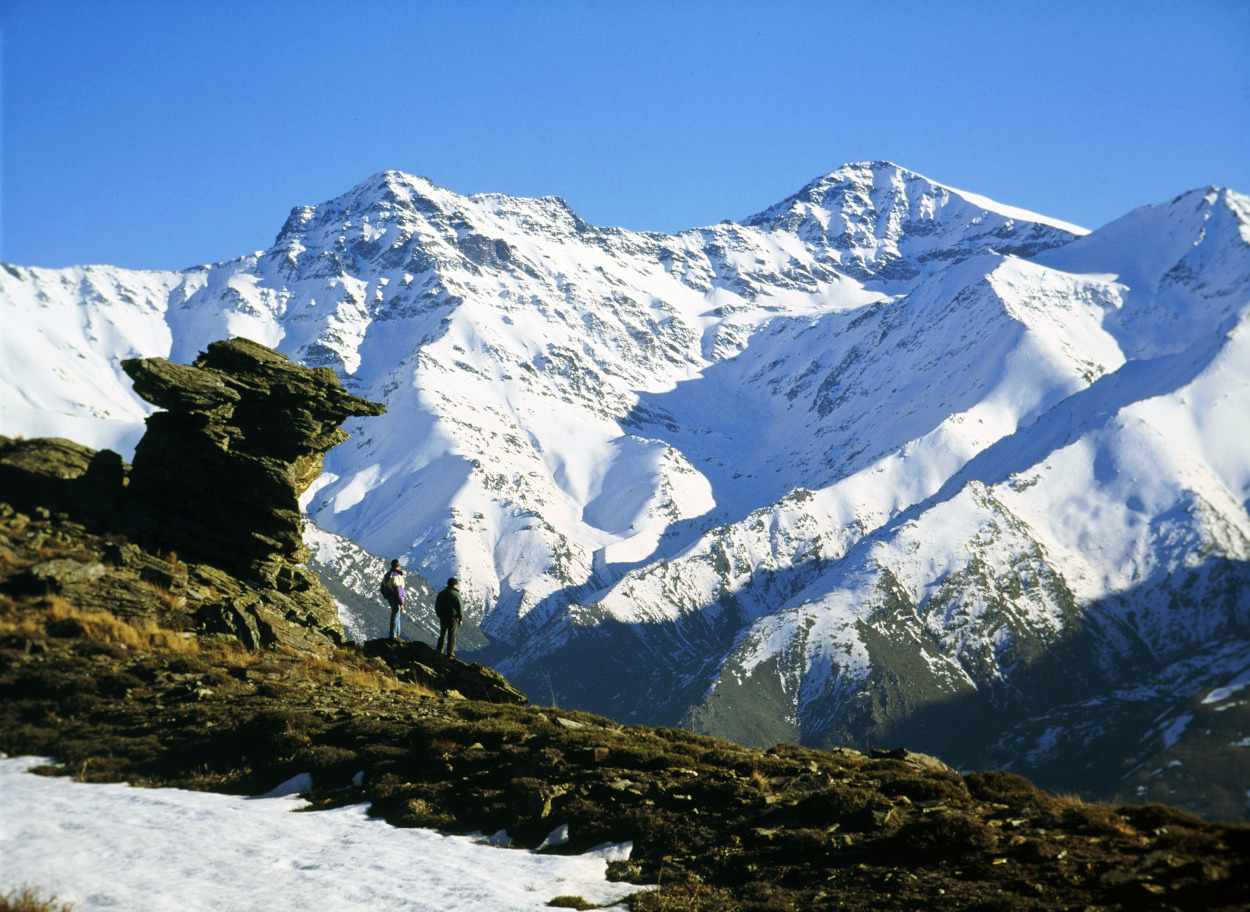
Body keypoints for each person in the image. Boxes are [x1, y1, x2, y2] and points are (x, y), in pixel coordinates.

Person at [434, 576, 463, 657]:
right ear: (454, 585)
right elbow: (460, 607)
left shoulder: (441, 594)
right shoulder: (456, 595)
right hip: (452, 618)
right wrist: (460, 619)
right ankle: (450, 653)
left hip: (443, 617)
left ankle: (439, 650)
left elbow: (437, 605)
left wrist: (439, 614)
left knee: (442, 634)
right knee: (452, 635)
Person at [381, 559, 405, 641]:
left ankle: (397, 634)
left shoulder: (387, 575)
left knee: (396, 614)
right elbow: (398, 591)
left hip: (390, 597)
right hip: (396, 598)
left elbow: (382, 587)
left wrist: (386, 596)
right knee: (395, 615)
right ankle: (394, 635)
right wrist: (401, 603)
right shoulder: (396, 576)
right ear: (398, 566)